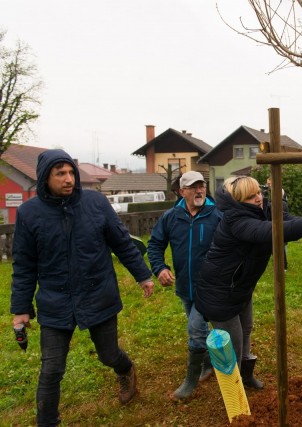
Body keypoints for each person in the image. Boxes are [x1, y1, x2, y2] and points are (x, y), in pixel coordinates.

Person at [10, 149, 154, 427]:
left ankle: (125, 370)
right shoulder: (29, 213)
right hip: (55, 300)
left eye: (71, 173)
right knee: (51, 369)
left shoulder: (95, 203)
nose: (68, 179)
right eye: (60, 173)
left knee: (108, 354)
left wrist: (143, 275)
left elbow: (122, 242)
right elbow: (24, 265)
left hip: (97, 293)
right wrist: (20, 309)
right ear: (45, 178)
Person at [195, 176, 302, 389]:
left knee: (246, 329)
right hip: (219, 292)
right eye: (251, 196)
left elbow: (285, 219)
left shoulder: (260, 209)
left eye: (258, 192)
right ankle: (233, 393)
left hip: (240, 286)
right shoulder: (235, 220)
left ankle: (245, 378)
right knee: (233, 343)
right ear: (239, 200)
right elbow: (272, 231)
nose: (259, 198)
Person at [147, 171, 223, 401]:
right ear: (182, 192)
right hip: (185, 286)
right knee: (197, 326)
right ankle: (209, 365)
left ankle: (190, 382)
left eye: (202, 186)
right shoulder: (171, 217)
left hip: (209, 287)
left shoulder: (217, 215)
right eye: (193, 187)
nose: (199, 190)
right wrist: (160, 268)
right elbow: (154, 245)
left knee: (196, 330)